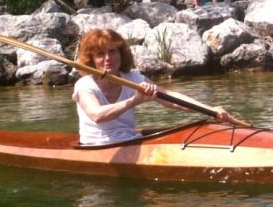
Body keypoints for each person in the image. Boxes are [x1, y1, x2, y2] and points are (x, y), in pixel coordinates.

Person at [72, 28, 229, 146]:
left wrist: (210, 110)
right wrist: (135, 101)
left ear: (120, 54)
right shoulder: (85, 84)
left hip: (130, 140)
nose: (108, 58)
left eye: (112, 51)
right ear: (92, 60)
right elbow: (97, 115)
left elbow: (170, 98)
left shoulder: (133, 78)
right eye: (100, 54)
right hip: (96, 145)